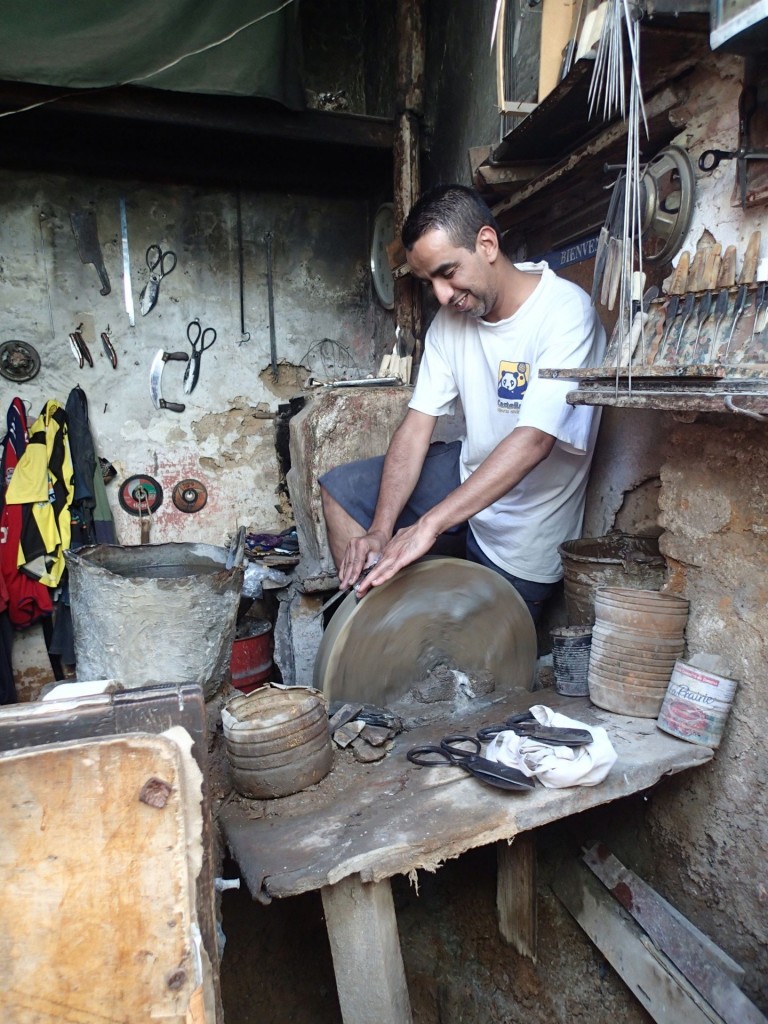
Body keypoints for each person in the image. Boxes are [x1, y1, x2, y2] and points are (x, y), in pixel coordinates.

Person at [319, 184, 606, 623]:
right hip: (467, 472)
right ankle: (366, 637)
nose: (441, 295)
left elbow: (533, 442)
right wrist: (381, 530)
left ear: (486, 244)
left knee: (473, 661)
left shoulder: (566, 313)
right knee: (342, 491)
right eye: (428, 281)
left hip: (528, 519)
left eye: (447, 271)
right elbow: (417, 428)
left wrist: (427, 525)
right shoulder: (453, 319)